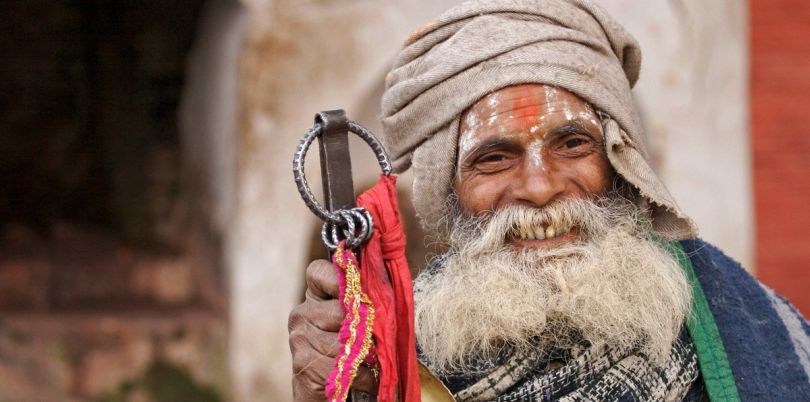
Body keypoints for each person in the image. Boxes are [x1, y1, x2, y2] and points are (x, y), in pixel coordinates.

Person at [288, 0, 810, 400]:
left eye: (572, 145)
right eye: (494, 158)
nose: (539, 188)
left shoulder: (759, 333)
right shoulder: (397, 350)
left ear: (621, 164)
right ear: (447, 192)